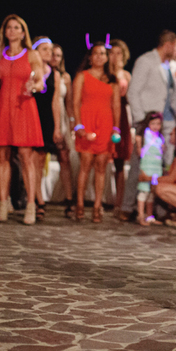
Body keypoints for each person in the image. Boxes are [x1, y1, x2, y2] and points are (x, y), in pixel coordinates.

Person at [0, 14, 45, 225]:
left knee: (25, 156)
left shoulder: (31, 54)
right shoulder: (0, 54)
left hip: (23, 106)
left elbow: (40, 81)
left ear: (23, 33)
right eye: (9, 27)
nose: (12, 31)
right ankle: (3, 203)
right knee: (3, 156)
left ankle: (31, 204)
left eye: (16, 27)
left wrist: (34, 86)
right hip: (3, 106)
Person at [123, 31, 176, 217]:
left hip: (166, 122)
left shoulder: (173, 66)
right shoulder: (146, 61)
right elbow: (133, 92)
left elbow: (173, 97)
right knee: (139, 163)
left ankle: (158, 210)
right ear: (168, 44)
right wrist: (141, 120)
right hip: (147, 121)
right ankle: (127, 206)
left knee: (161, 165)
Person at [73, 42, 121, 223]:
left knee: (101, 166)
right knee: (85, 164)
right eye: (96, 53)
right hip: (87, 122)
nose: (100, 56)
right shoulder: (82, 76)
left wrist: (116, 127)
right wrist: (78, 126)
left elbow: (116, 105)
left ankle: (97, 205)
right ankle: (79, 204)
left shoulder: (112, 80)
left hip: (105, 124)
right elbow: (75, 102)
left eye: (103, 53)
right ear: (90, 57)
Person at [32, 36, 62, 221]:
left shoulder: (54, 74)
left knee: (40, 160)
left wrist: (57, 127)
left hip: (46, 119)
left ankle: (38, 198)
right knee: (30, 160)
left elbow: (55, 102)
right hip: (31, 116)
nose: (48, 53)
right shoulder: (30, 69)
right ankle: (36, 199)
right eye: (44, 49)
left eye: (50, 50)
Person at [50, 43, 76, 218]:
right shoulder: (43, 74)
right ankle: (36, 200)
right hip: (46, 118)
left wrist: (72, 123)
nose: (55, 58)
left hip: (62, 119)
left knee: (64, 158)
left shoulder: (65, 77)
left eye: (58, 55)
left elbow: (69, 104)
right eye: (52, 54)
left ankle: (69, 199)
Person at [108, 38, 132, 220]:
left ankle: (119, 202)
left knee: (120, 162)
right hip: (105, 113)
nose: (115, 56)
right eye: (112, 53)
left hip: (122, 116)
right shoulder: (104, 74)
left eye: (119, 53)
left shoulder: (126, 75)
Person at [135, 111, 164, 225]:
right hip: (146, 166)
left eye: (158, 123)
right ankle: (141, 215)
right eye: (153, 123)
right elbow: (139, 151)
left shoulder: (160, 137)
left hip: (156, 168)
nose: (156, 126)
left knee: (152, 193)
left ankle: (149, 216)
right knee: (144, 191)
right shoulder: (145, 135)